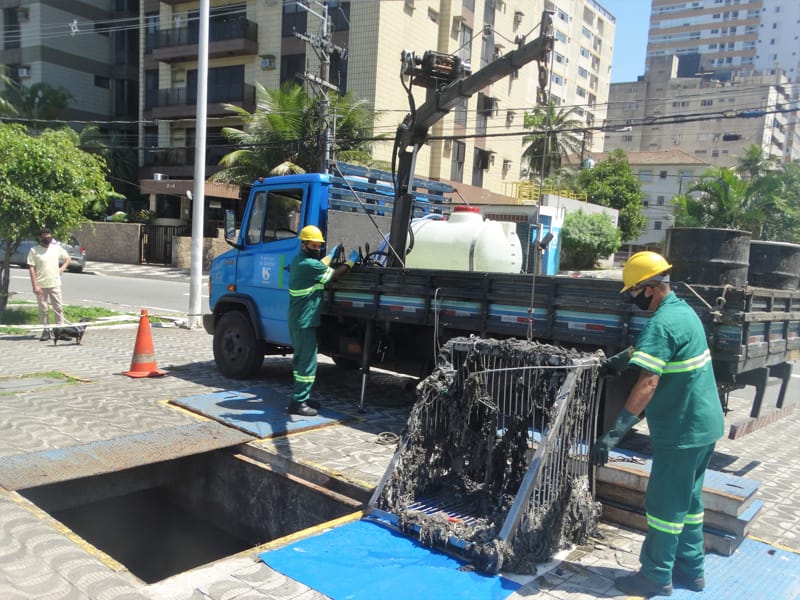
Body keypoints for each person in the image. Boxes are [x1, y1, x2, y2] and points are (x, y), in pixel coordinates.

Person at [590, 251, 724, 598]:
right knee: (689, 503)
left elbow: (648, 383)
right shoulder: (683, 312)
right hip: (704, 428)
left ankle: (655, 576)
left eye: (634, 292)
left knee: (664, 506)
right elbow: (660, 349)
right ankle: (691, 572)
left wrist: (615, 432)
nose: (633, 299)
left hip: (681, 432)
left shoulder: (661, 323)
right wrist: (624, 360)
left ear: (649, 289)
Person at [288, 225, 358, 417]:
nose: (317, 248)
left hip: (300, 319)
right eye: (314, 245)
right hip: (305, 320)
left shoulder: (300, 261)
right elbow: (332, 275)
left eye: (319, 245)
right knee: (308, 361)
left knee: (301, 359)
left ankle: (300, 396)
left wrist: (331, 255)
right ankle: (298, 402)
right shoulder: (310, 265)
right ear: (304, 245)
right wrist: (351, 263)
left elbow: (321, 265)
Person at [27, 228, 71, 341]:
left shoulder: (56, 248)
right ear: (40, 238)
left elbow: (67, 258)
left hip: (54, 283)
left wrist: (62, 269)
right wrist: (35, 285)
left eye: (49, 237)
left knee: (58, 308)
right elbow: (31, 268)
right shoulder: (34, 250)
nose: (47, 239)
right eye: (45, 237)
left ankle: (60, 331)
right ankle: (46, 331)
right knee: (43, 309)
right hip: (41, 285)